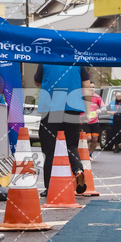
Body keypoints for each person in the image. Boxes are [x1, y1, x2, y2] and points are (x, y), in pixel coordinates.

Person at [34, 62, 91, 196]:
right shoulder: (78, 62)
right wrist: (87, 112)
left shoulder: (45, 60)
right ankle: (78, 170)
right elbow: (87, 86)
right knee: (71, 145)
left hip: (50, 109)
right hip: (73, 108)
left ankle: (50, 187)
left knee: (50, 149)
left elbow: (37, 82)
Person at [82, 81, 104, 154]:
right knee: (88, 138)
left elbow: (104, 107)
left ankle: (90, 154)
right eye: (90, 87)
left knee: (95, 139)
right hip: (85, 121)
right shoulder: (83, 97)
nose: (92, 89)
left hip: (94, 121)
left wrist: (99, 110)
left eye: (93, 87)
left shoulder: (97, 97)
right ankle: (83, 153)